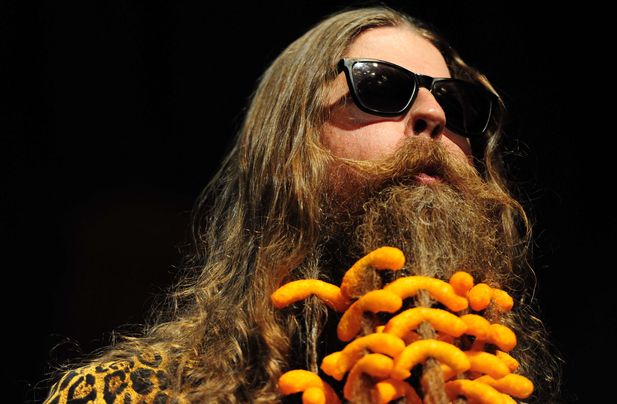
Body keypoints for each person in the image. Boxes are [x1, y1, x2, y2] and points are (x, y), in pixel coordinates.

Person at [43, 5, 562, 403]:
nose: (433, 113)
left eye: (458, 102)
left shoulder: (508, 389)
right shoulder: (133, 392)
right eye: (381, 86)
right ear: (287, 151)